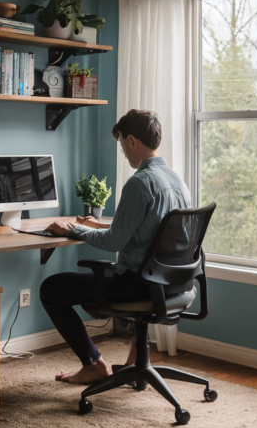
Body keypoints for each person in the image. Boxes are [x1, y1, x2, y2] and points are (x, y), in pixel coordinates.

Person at [40, 109, 191, 385]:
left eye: (122, 143)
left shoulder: (140, 183)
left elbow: (113, 243)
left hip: (138, 285)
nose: (123, 150)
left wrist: (74, 229)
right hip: (174, 285)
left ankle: (94, 364)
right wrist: (94, 226)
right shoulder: (177, 181)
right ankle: (135, 360)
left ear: (133, 141)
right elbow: (147, 234)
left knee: (51, 290)